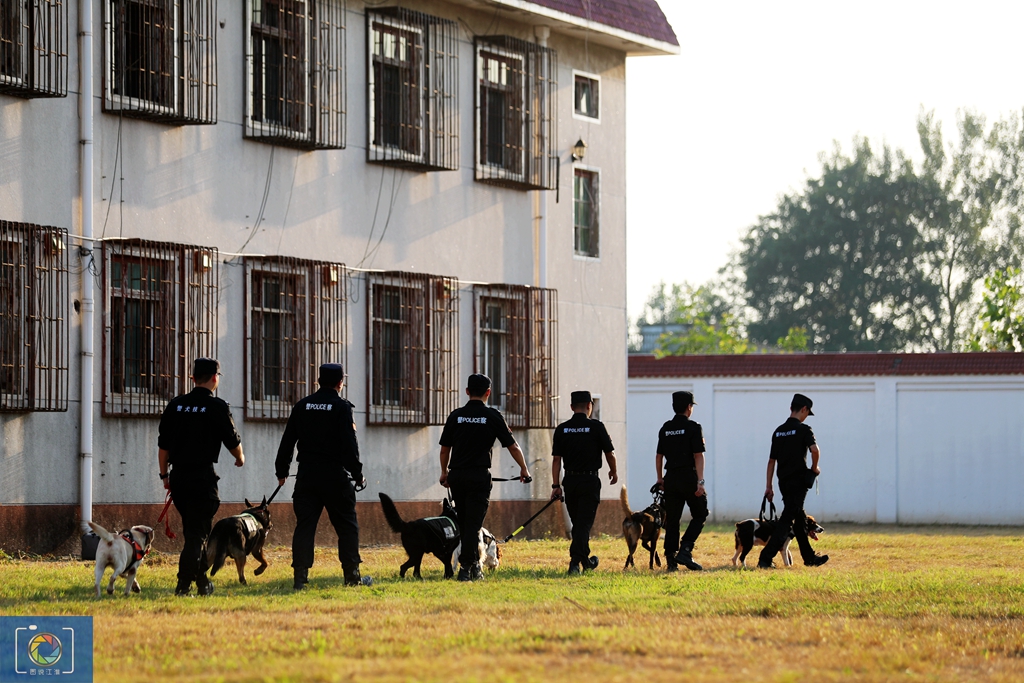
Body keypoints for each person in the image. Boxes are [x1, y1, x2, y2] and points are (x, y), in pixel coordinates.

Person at [276, 363, 368, 589]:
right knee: (347, 526)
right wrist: (358, 474)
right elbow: (349, 446)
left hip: (307, 476)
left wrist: (282, 471)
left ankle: (299, 578)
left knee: (305, 526)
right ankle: (352, 576)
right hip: (334, 476)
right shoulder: (341, 407)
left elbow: (288, 441)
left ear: (318, 381)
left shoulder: (302, 406)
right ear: (340, 383)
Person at [158, 358, 245, 596]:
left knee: (193, 533)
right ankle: (183, 585)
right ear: (215, 378)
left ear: (193, 378)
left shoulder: (175, 405)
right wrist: (240, 458)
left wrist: (164, 475)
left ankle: (203, 583)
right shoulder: (217, 407)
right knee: (197, 535)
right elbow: (233, 441)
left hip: (179, 479)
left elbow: (163, 447)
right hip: (202, 479)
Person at [438, 373, 531, 582]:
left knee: (465, 524)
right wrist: (524, 469)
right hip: (479, 476)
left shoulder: (456, 416)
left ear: (467, 391)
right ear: (488, 392)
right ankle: (467, 568)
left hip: (458, 476)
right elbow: (513, 446)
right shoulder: (492, 416)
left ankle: (473, 567)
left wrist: (444, 472)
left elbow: (445, 449)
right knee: (473, 524)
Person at [757, 393, 829, 569]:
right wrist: (814, 468)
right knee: (787, 520)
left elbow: (771, 461)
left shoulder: (778, 431)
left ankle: (809, 557)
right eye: (807, 413)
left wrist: (769, 486)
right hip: (799, 481)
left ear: (791, 408)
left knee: (799, 518)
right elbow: (815, 450)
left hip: (783, 482)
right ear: (804, 409)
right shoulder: (804, 430)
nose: (806, 417)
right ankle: (765, 558)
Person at [550, 390, 617, 575]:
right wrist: (613, 471)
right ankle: (574, 563)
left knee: (578, 523)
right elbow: (610, 453)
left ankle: (586, 561)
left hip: (570, 481)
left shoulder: (562, 429)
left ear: (572, 407)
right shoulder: (597, 427)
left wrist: (556, 485)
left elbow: (556, 460)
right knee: (583, 524)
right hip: (589, 480)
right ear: (589, 406)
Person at [655, 390, 708, 572]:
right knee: (700, 513)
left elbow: (659, 456)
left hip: (670, 478)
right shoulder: (694, 427)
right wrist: (700, 482)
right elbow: (698, 455)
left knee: (672, 520)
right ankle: (685, 549)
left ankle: (671, 561)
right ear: (689, 407)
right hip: (689, 477)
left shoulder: (666, 428)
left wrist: (660, 479)